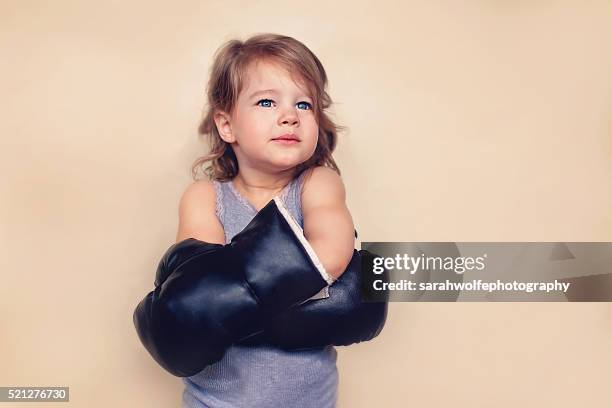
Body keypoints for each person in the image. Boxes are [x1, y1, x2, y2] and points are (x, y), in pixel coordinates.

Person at [177, 33, 356, 408]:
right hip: (215, 402)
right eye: (266, 101)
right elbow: (205, 289)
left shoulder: (317, 184)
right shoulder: (205, 197)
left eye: (304, 104)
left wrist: (244, 301)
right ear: (227, 126)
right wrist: (279, 300)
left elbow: (332, 252)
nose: (289, 115)